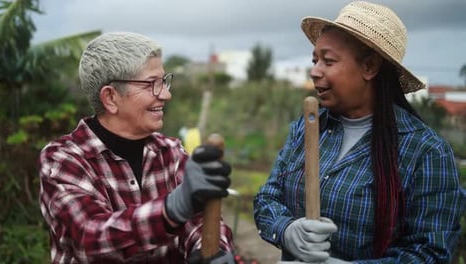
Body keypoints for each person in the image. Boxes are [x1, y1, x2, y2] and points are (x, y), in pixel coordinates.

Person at [253, 1, 464, 263]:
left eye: (328, 61)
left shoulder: (425, 151)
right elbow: (267, 197)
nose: (315, 71)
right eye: (315, 59)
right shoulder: (307, 129)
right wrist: (285, 230)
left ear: (369, 67)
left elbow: (431, 252)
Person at [38, 32, 235, 263]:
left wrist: (211, 249)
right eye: (152, 84)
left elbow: (200, 220)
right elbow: (89, 237)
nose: (166, 94)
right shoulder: (64, 159)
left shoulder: (170, 152)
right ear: (110, 98)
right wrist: (170, 210)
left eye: (164, 81)